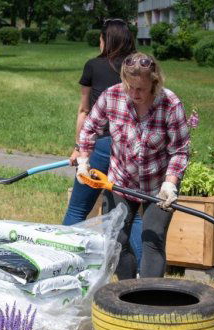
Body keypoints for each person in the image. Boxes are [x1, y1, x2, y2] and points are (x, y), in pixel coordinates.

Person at [77, 52, 191, 280]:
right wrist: (83, 159)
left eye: (141, 89)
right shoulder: (112, 96)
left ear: (154, 82)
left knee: (153, 238)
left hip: (157, 186)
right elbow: (90, 128)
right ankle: (128, 291)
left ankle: (148, 299)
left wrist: (170, 185)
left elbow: (179, 150)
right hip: (121, 181)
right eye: (130, 87)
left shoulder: (169, 103)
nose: (134, 94)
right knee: (114, 240)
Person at [63, 19, 141, 261]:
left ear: (107, 40)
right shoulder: (139, 69)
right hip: (132, 149)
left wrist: (79, 148)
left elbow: (84, 111)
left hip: (101, 146)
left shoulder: (93, 66)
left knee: (78, 207)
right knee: (133, 215)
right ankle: (141, 271)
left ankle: (61, 259)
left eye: (101, 38)